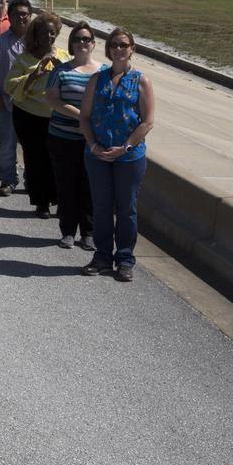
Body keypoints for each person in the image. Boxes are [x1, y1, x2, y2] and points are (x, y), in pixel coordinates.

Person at [80, 28, 155, 282]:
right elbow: (85, 117)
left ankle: (124, 259)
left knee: (126, 209)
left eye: (123, 45)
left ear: (132, 48)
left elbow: (147, 122)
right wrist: (93, 146)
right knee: (101, 207)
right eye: (114, 45)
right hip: (98, 155)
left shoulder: (141, 81)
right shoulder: (97, 80)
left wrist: (126, 147)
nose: (118, 49)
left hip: (129, 158)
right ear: (108, 49)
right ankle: (102, 256)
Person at [45, 23, 102, 250]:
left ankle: (89, 232)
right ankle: (68, 231)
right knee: (66, 185)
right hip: (63, 138)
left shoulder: (104, 72)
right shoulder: (61, 71)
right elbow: (52, 100)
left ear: (94, 44)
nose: (82, 43)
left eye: (86, 39)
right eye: (77, 39)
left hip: (91, 141)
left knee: (89, 186)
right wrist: (81, 116)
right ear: (71, 44)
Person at [6, 12, 68, 218]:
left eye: (52, 33)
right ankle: (41, 202)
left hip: (56, 118)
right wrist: (34, 75)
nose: (48, 37)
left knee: (58, 161)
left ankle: (60, 199)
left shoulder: (64, 56)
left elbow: (74, 84)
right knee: (36, 160)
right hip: (29, 116)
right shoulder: (24, 59)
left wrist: (63, 72)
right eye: (44, 33)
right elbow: (10, 85)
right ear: (36, 34)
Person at [0, 0, 32, 196]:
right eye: (17, 14)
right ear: (9, 17)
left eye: (24, 14)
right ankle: (8, 180)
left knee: (30, 146)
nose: (21, 17)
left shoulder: (36, 44)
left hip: (31, 105)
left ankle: (32, 180)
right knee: (7, 145)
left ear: (30, 16)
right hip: (5, 103)